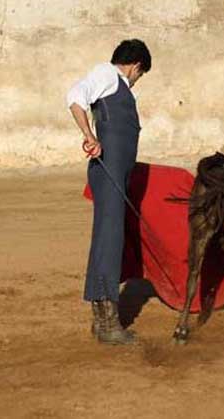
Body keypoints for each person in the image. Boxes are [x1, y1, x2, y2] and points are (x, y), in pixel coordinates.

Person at [66, 39, 151, 345]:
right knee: (109, 239)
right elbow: (75, 97)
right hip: (110, 171)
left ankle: (102, 322)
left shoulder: (121, 87)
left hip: (118, 172)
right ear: (136, 66)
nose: (137, 79)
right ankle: (108, 323)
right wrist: (89, 135)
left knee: (111, 238)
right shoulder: (106, 74)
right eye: (140, 74)